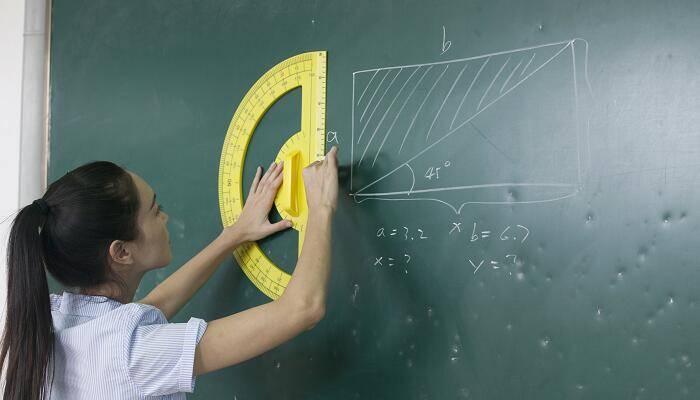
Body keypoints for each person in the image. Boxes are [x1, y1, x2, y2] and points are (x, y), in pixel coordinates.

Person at [0, 146, 339, 400]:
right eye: (154, 210)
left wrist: (234, 235)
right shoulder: (133, 354)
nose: (164, 217)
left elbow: (151, 309)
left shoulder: (55, 319)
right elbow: (302, 310)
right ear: (121, 252)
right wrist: (321, 206)